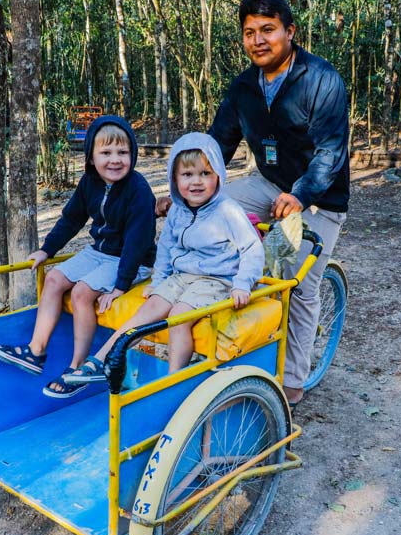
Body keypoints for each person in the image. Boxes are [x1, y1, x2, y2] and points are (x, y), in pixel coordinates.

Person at [207, 0, 350, 406]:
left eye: (267, 30)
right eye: (249, 32)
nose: (258, 40)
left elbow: (329, 153)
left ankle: (292, 383)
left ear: (290, 32)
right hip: (268, 183)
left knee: (297, 282)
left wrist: (301, 196)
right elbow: (219, 144)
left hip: (320, 196)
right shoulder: (243, 87)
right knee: (213, 218)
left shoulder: (322, 80)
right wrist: (187, 192)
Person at [62, 132, 264, 386]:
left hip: (217, 279)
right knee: (147, 311)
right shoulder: (178, 210)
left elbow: (252, 249)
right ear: (175, 179)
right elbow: (166, 248)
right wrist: (158, 282)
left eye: (205, 174)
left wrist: (242, 283)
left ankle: (173, 382)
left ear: (218, 177)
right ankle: (101, 360)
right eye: (187, 175)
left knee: (178, 317)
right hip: (181, 277)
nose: (196, 182)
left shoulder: (227, 210)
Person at [0, 116, 157, 398]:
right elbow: (71, 219)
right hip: (99, 253)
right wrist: (47, 249)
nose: (115, 160)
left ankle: (78, 368)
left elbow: (137, 242)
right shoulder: (89, 182)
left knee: (81, 293)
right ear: (91, 157)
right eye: (106, 153)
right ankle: (36, 350)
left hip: (131, 260)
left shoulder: (138, 191)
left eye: (123, 153)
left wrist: (120, 286)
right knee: (54, 279)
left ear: (133, 155)